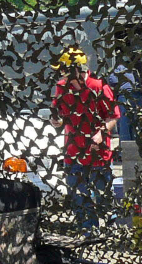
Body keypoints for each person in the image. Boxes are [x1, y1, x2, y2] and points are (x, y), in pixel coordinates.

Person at [49, 46, 120, 231]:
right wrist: (56, 121)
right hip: (73, 153)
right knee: (79, 197)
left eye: (65, 72)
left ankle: (110, 230)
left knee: (104, 197)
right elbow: (58, 113)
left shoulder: (99, 87)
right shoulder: (61, 87)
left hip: (98, 154)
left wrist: (101, 133)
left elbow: (113, 116)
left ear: (77, 71)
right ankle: (88, 230)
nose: (63, 76)